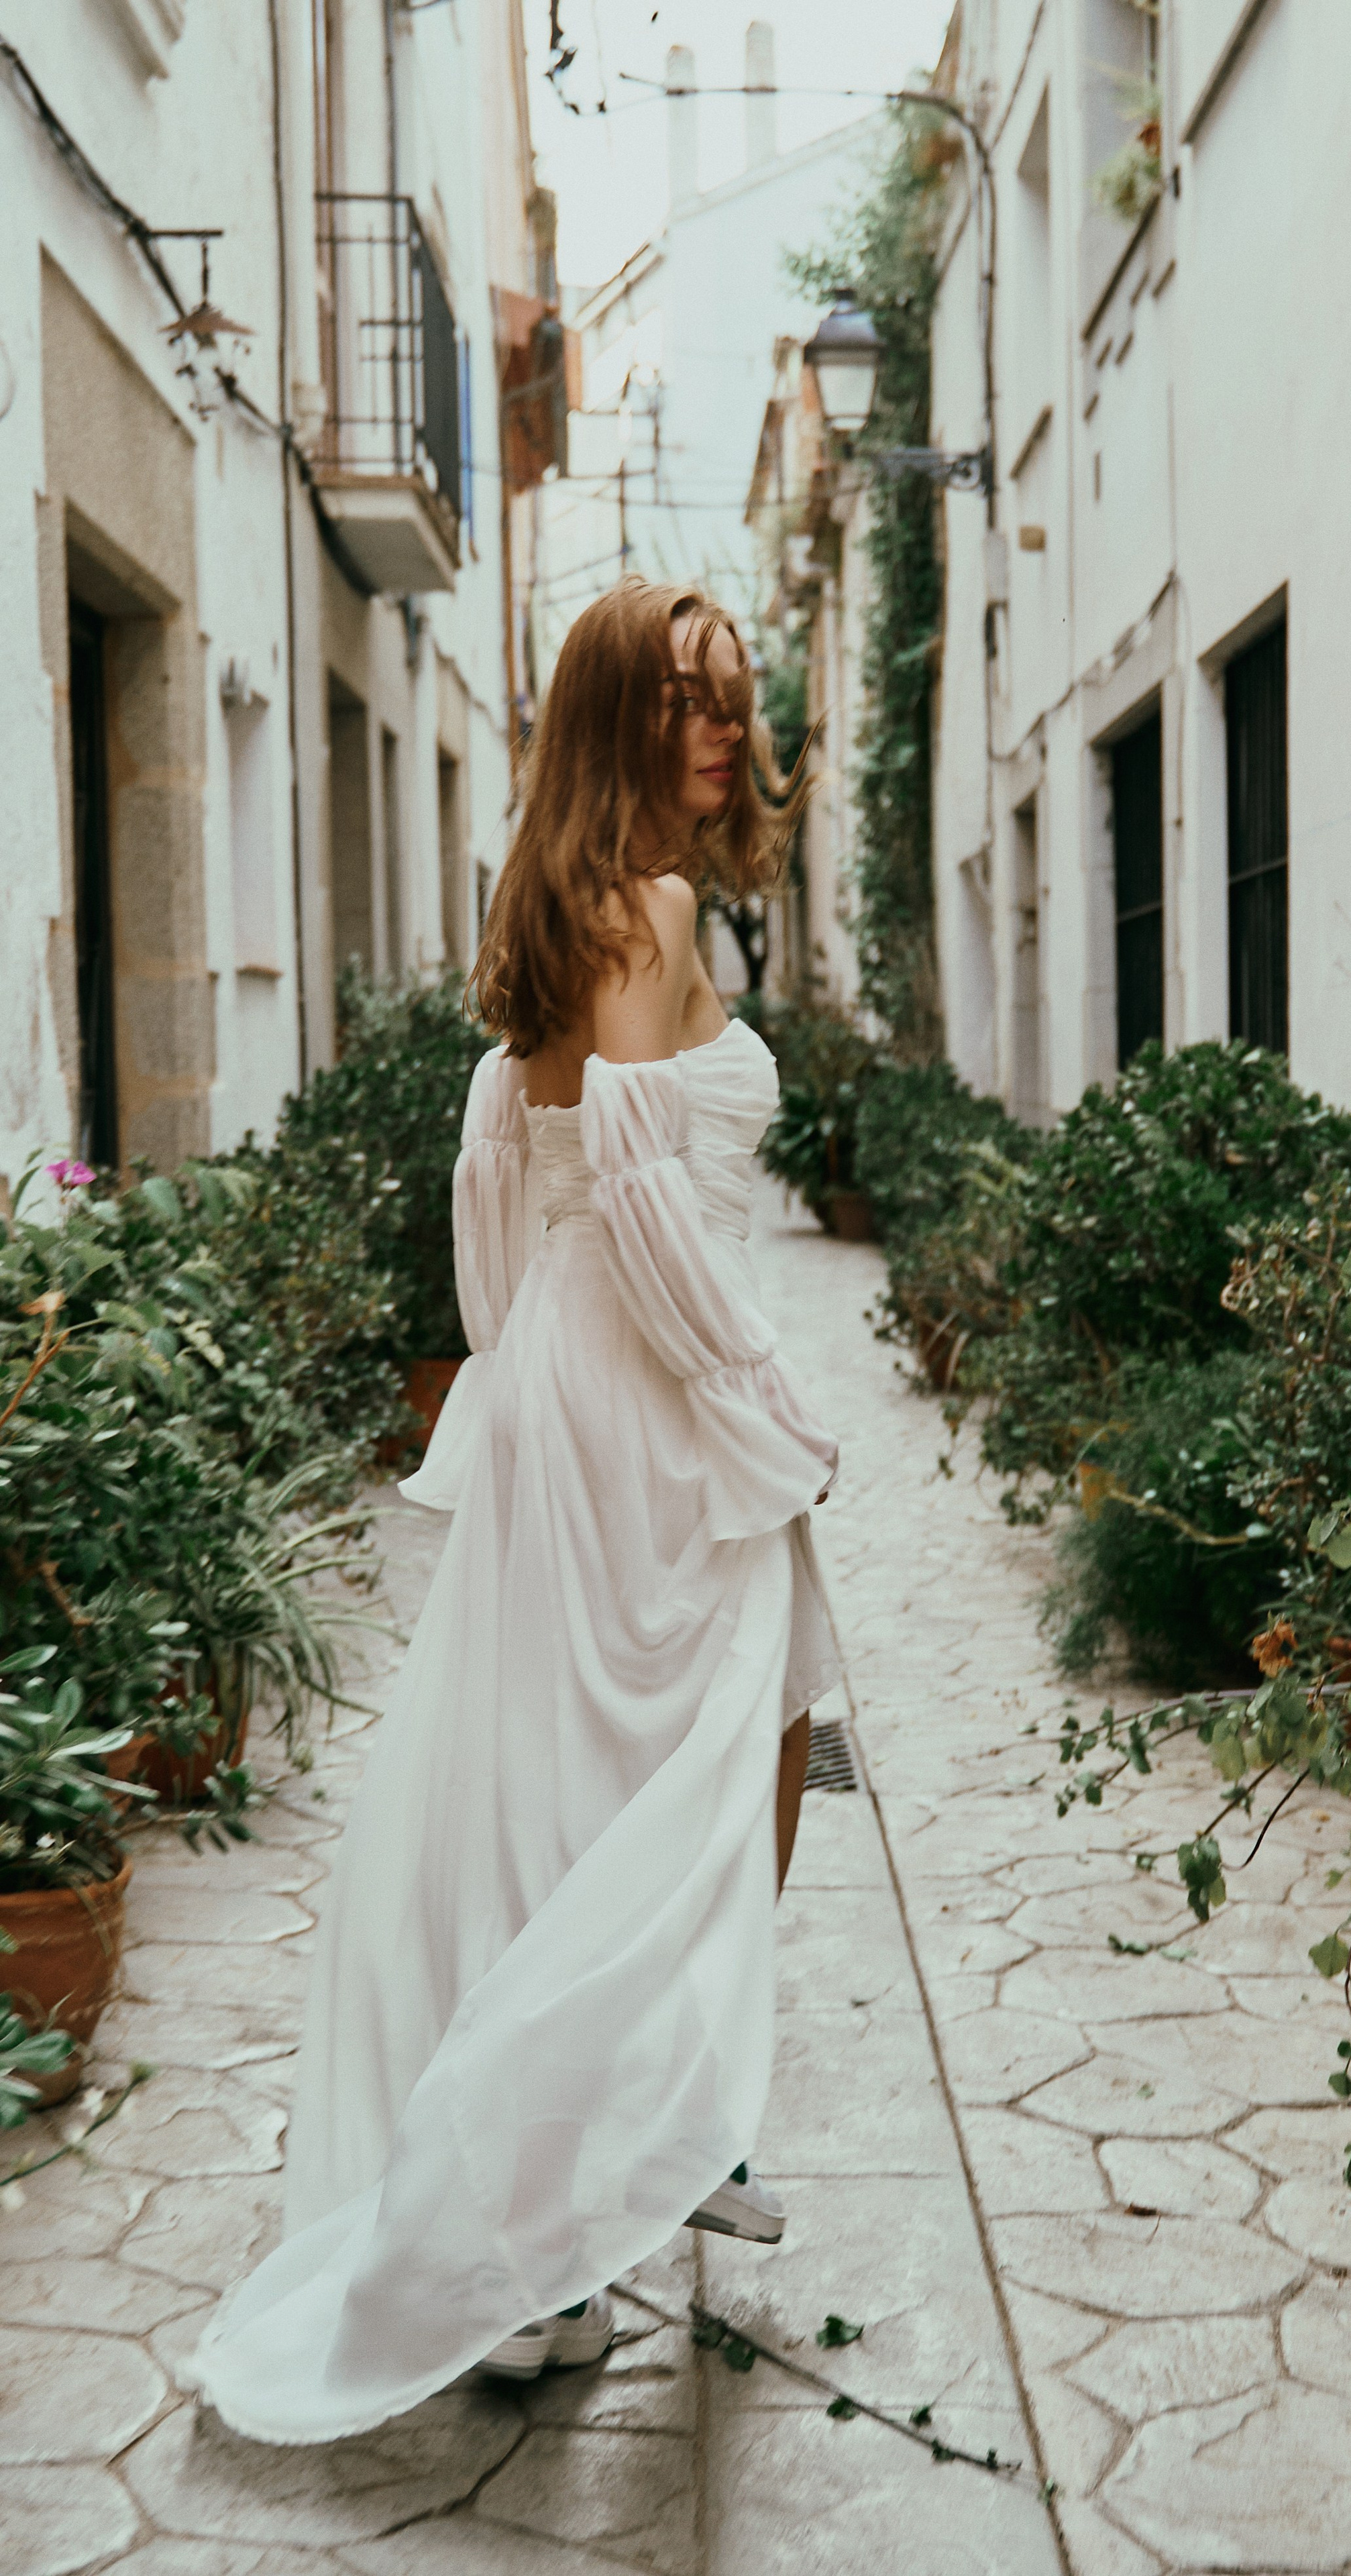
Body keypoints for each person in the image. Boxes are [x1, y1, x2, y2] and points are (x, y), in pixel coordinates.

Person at [189, 579, 841, 2444]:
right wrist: (761, 1409)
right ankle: (630, 2156)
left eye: (733, 702)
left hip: (569, 1379)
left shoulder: (561, 904)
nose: (724, 733)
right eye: (687, 704)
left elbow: (514, 1187)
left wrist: (526, 1384)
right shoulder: (650, 908)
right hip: (638, 1389)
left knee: (583, 1781)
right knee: (711, 1750)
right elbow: (633, 1213)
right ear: (617, 722)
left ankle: (600, 2184)